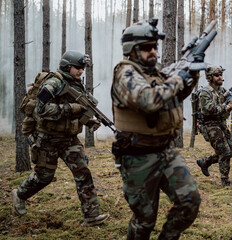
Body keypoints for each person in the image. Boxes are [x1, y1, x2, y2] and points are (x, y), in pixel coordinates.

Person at [111, 19, 201, 240]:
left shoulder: (156, 72)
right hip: (138, 157)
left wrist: (192, 74)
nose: (153, 51)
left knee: (189, 201)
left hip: (165, 151)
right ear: (132, 50)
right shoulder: (126, 74)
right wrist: (179, 79)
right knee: (145, 220)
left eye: (154, 46)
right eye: (146, 47)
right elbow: (148, 100)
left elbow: (175, 96)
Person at [11, 50, 109, 227]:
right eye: (78, 67)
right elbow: (41, 110)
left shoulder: (77, 85)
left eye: (83, 68)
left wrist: (88, 122)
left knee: (83, 172)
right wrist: (72, 108)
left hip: (69, 139)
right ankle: (19, 194)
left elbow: (79, 110)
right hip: (46, 139)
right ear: (66, 66)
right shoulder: (53, 83)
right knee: (44, 177)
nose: (81, 71)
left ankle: (91, 216)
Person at [196, 65, 232, 187]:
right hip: (210, 126)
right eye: (217, 75)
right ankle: (225, 181)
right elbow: (210, 110)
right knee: (224, 152)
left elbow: (231, 105)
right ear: (210, 77)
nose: (220, 77)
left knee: (230, 150)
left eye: (221, 75)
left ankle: (205, 162)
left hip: (221, 123)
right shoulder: (205, 92)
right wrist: (228, 106)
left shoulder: (222, 91)